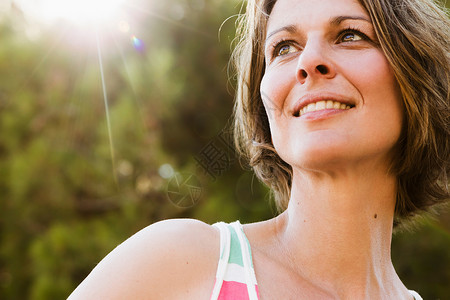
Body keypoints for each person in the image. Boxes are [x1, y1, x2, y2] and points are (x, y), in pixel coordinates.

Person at [69, 0, 449, 298]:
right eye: (284, 47)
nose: (308, 61)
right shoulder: (183, 263)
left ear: (415, 73)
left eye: (350, 35)